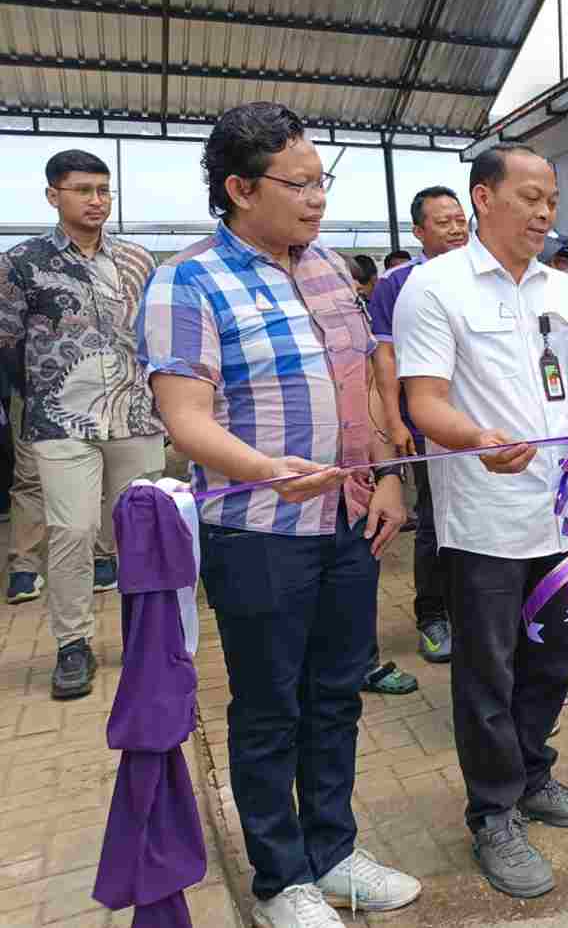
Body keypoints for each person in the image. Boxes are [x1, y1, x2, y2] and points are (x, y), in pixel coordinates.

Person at [138, 102, 420, 925]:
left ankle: (333, 851)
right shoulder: (186, 279)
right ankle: (279, 877)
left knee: (337, 693)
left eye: (321, 180)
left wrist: (391, 477)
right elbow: (184, 418)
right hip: (258, 529)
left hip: (349, 519)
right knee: (269, 704)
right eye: (297, 183)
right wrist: (266, 470)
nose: (316, 198)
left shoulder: (331, 267)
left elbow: (370, 381)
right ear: (237, 187)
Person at [395, 143, 568, 898]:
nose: (544, 212)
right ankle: (493, 811)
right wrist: (473, 437)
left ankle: (533, 774)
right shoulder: (434, 288)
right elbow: (424, 399)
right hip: (485, 518)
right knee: (487, 671)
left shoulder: (562, 290)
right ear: (483, 198)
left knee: (557, 659)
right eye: (529, 196)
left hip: (564, 514)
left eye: (552, 198)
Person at [0, 150, 166, 700]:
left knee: (141, 532)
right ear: (54, 196)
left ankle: (147, 638)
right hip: (60, 423)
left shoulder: (140, 260)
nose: (96, 200)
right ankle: (73, 644)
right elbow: (7, 342)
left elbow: (154, 337)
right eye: (82, 190)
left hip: (136, 417)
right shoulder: (20, 263)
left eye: (103, 189)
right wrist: (39, 396)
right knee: (71, 531)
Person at [368, 184, 469, 668]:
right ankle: (433, 615)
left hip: (485, 423)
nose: (456, 227)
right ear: (419, 231)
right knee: (434, 516)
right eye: (444, 221)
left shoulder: (484, 273)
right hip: (427, 421)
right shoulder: (397, 284)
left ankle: (479, 611)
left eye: (460, 218)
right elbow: (385, 359)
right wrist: (393, 421)